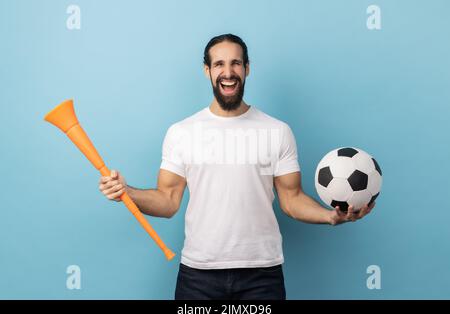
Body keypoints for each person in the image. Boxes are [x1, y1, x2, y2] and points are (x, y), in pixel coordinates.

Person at [98, 34, 375, 300]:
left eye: (236, 63)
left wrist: (330, 217)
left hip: (262, 275)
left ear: (247, 69)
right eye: (219, 64)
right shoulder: (181, 133)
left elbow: (291, 200)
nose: (228, 72)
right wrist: (126, 192)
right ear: (207, 70)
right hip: (198, 276)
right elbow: (168, 201)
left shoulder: (277, 131)